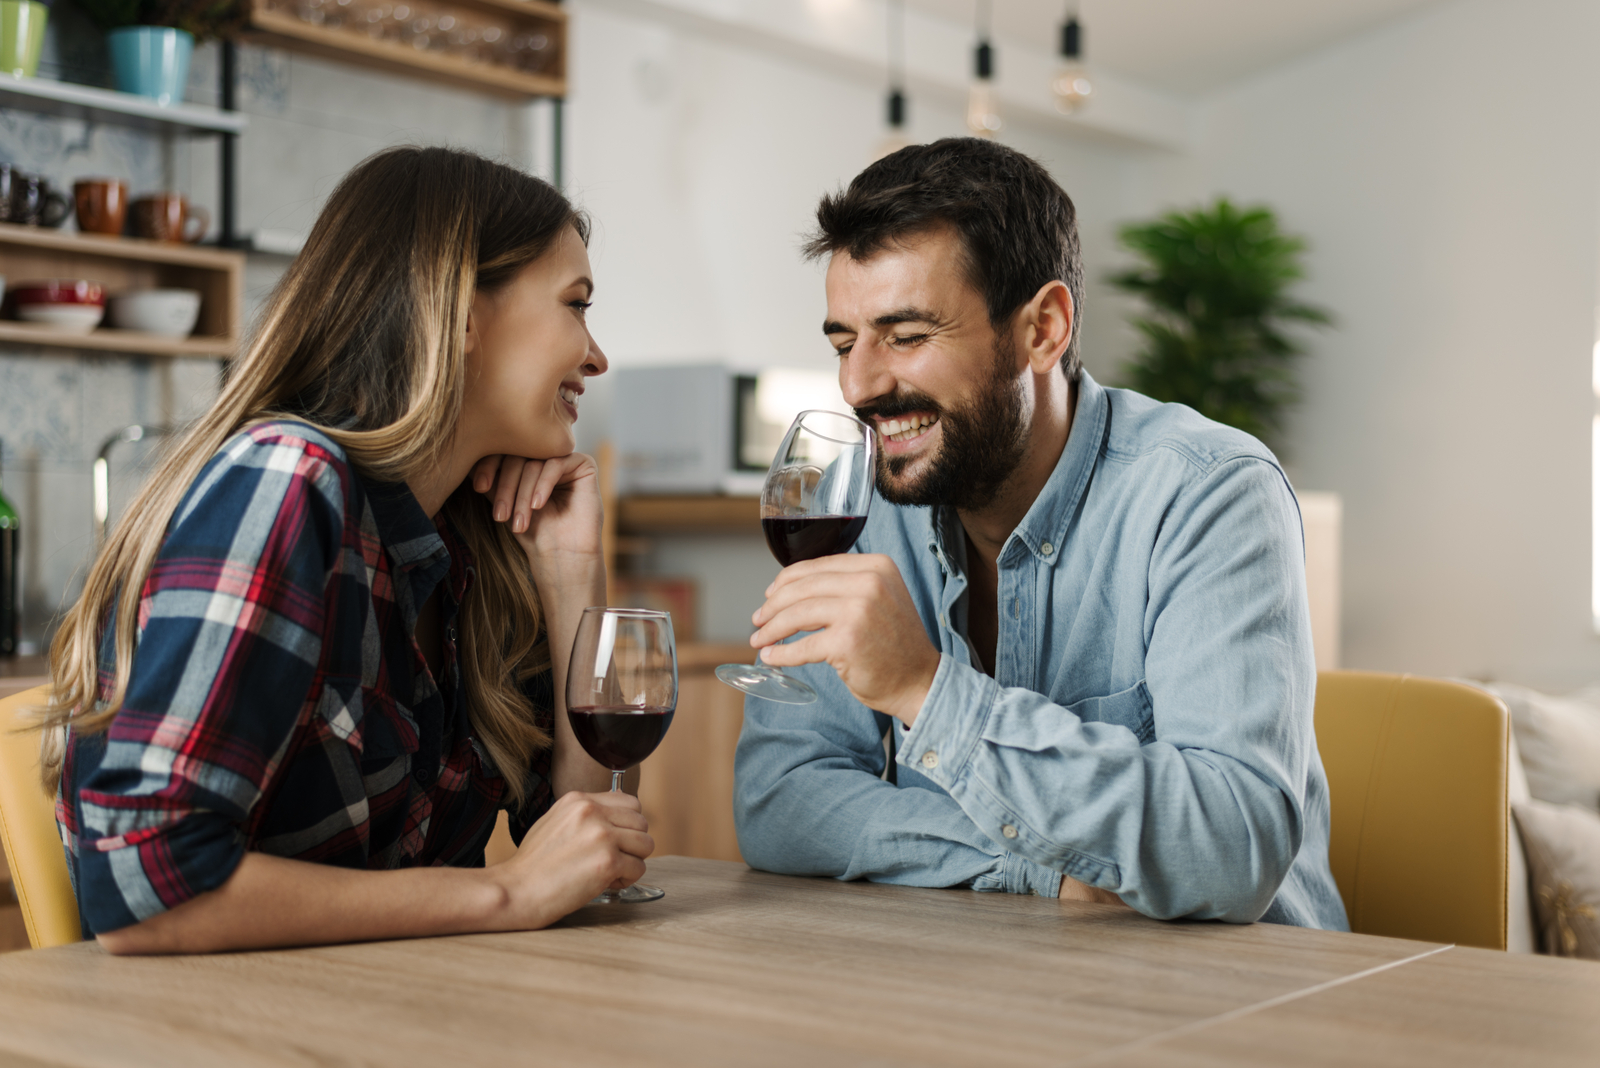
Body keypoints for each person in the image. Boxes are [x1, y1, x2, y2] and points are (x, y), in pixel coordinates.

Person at [39, 147, 654, 954]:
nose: (597, 355)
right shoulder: (288, 479)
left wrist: (574, 573)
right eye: (576, 305)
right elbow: (144, 889)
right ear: (461, 312)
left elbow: (586, 838)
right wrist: (503, 891)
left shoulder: (466, 546)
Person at [733, 138, 1347, 928]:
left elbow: (1228, 850)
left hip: (1241, 1000)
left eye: (908, 335)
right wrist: (1030, 869)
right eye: (845, 343)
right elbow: (781, 798)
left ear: (1043, 329)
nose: (858, 385)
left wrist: (926, 690)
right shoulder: (863, 510)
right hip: (990, 989)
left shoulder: (1209, 494)